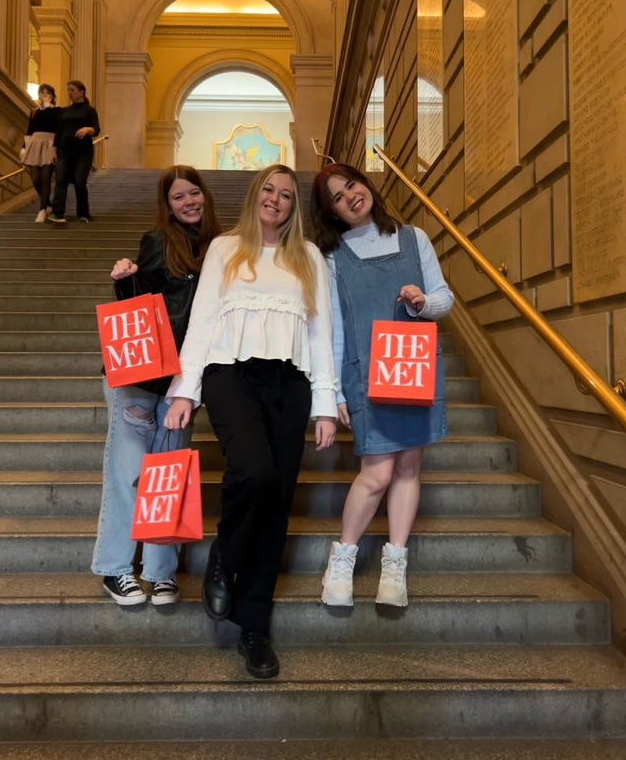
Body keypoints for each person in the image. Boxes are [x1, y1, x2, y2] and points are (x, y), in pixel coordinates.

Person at [165, 164, 337, 679]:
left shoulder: (307, 257)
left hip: (290, 382)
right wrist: (184, 390)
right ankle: (225, 554)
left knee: (278, 499)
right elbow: (200, 325)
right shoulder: (223, 248)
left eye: (287, 194)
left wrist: (326, 402)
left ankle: (255, 628)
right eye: (269, 189)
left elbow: (320, 332)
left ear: (294, 206)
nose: (277, 200)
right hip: (229, 373)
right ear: (255, 195)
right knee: (255, 472)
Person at [310, 163, 454, 609]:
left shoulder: (414, 237)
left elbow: (444, 299)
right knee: (376, 473)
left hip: (413, 367)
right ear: (332, 212)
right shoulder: (331, 258)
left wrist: (422, 301)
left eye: (352, 184)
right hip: (366, 372)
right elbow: (332, 328)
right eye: (337, 196)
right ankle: (343, 560)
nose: (351, 196)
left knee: (409, 468)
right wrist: (333, 393)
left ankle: (395, 565)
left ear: (367, 185)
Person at [91, 166, 221, 606]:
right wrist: (124, 280)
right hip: (144, 381)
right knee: (129, 474)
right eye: (178, 197)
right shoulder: (159, 240)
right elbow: (140, 308)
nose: (189, 202)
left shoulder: (219, 248)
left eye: (194, 193)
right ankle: (114, 568)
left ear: (205, 194)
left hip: (183, 384)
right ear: (166, 205)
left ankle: (162, 573)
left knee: (169, 478)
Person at [47, 79, 100, 224]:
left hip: (83, 152)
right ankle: (57, 213)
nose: (69, 93)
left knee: (79, 182)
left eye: (72, 90)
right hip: (64, 152)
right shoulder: (64, 111)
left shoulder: (89, 110)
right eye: (68, 90)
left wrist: (87, 129)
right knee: (61, 180)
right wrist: (54, 151)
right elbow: (59, 133)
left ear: (81, 92)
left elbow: (97, 129)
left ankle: (83, 214)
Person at [20, 84, 60, 223]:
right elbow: (29, 130)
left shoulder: (57, 111)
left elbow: (58, 129)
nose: (44, 94)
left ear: (53, 95)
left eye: (47, 92)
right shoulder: (34, 112)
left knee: (46, 177)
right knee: (35, 177)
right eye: (42, 92)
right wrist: (24, 147)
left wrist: (50, 108)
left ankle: (42, 210)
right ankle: (47, 204)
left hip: (50, 143)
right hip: (35, 143)